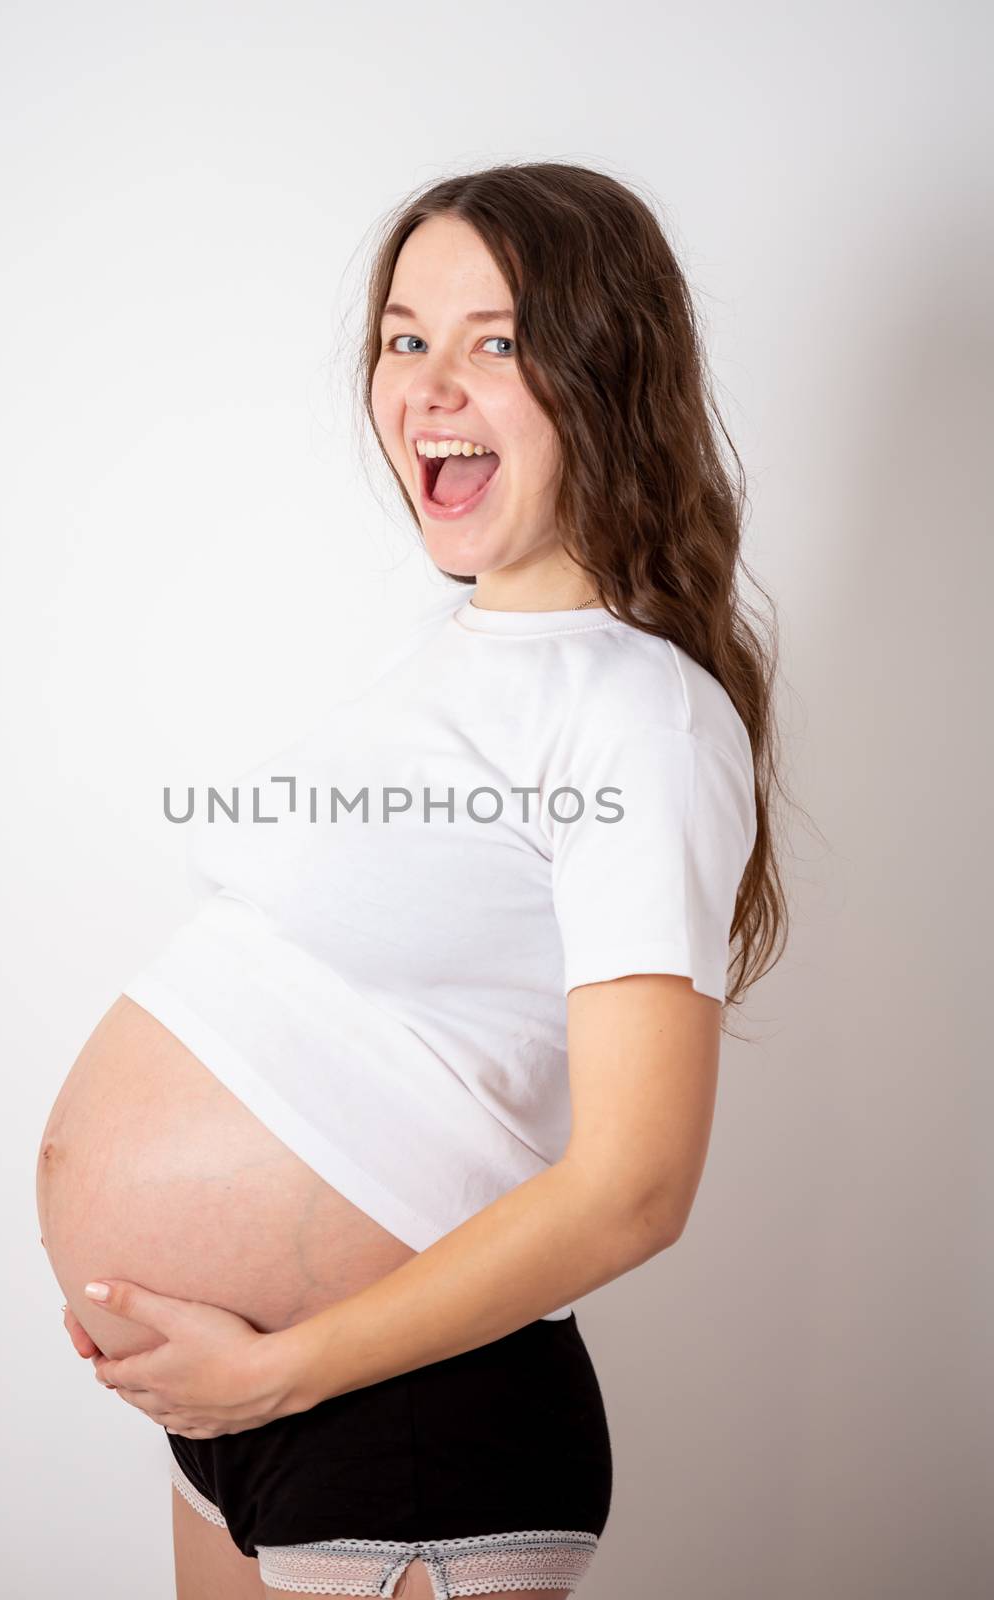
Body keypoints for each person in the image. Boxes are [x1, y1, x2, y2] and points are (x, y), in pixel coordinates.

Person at [64, 160, 788, 1600]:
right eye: (405, 338)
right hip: (250, 1411)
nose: (430, 386)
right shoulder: (451, 657)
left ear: (607, 376)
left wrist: (281, 1371)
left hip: (395, 1422)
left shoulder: (634, 710)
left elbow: (637, 1188)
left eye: (496, 342)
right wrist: (242, 1383)